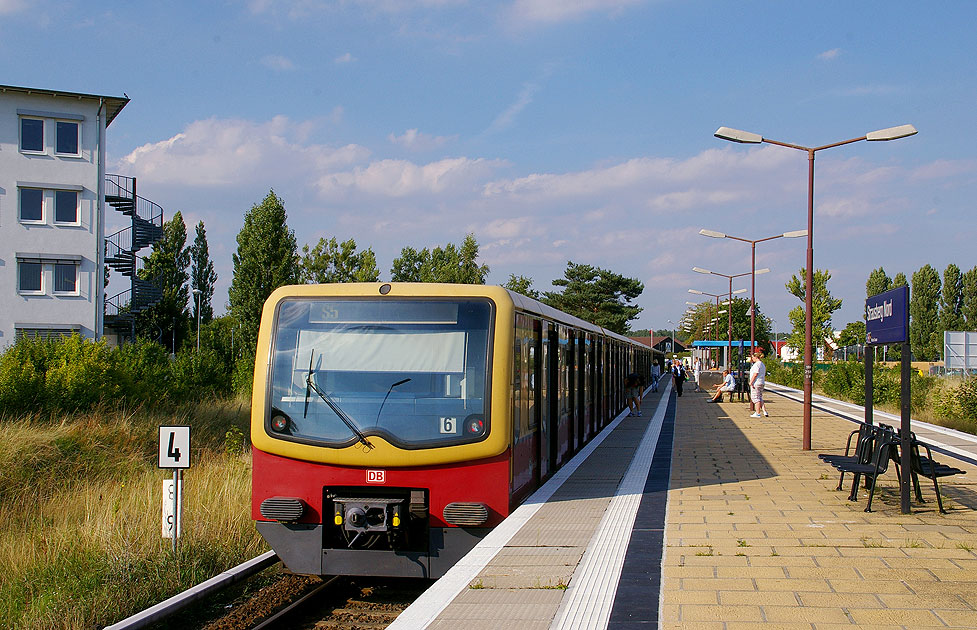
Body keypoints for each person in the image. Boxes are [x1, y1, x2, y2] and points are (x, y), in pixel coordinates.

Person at [748, 350, 768, 418]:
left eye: (752, 357)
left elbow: (755, 373)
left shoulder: (757, 364)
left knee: (755, 398)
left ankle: (757, 413)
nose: (752, 359)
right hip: (761, 382)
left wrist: (751, 382)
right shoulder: (762, 364)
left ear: (755, 357)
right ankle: (765, 411)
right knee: (759, 397)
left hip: (756, 383)